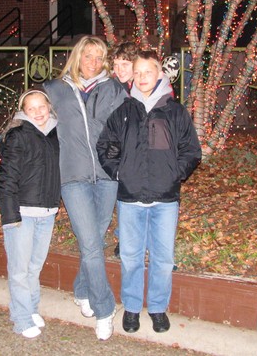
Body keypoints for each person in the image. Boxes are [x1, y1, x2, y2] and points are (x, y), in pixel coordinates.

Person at [97, 50, 201, 334]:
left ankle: (157, 308)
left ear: (160, 74)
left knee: (162, 258)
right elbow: (106, 146)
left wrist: (175, 174)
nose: (142, 77)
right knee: (130, 257)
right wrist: (119, 173)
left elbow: (191, 150)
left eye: (148, 72)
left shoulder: (174, 112)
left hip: (165, 199)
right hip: (130, 198)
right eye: (138, 72)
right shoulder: (124, 111)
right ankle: (131, 307)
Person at [44, 35, 128, 340]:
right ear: (77, 56)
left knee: (93, 240)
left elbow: (128, 128)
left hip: (107, 177)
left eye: (98, 57)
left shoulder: (114, 89)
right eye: (88, 55)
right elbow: (33, 117)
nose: (93, 62)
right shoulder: (55, 89)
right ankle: (105, 309)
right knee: (92, 245)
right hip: (73, 176)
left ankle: (81, 289)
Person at [0, 88, 61, 339]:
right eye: (31, 108)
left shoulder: (55, 133)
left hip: (47, 211)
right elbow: (7, 178)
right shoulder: (18, 135)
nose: (38, 112)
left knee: (34, 266)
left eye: (41, 106)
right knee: (20, 269)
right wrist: (10, 215)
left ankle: (31, 309)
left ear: (49, 107)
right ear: (23, 112)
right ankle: (21, 319)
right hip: (22, 212)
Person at [109, 40, 140, 258]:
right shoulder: (113, 88)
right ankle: (124, 237)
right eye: (116, 65)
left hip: (141, 150)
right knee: (123, 194)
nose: (120, 70)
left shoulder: (142, 85)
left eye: (125, 64)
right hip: (121, 150)